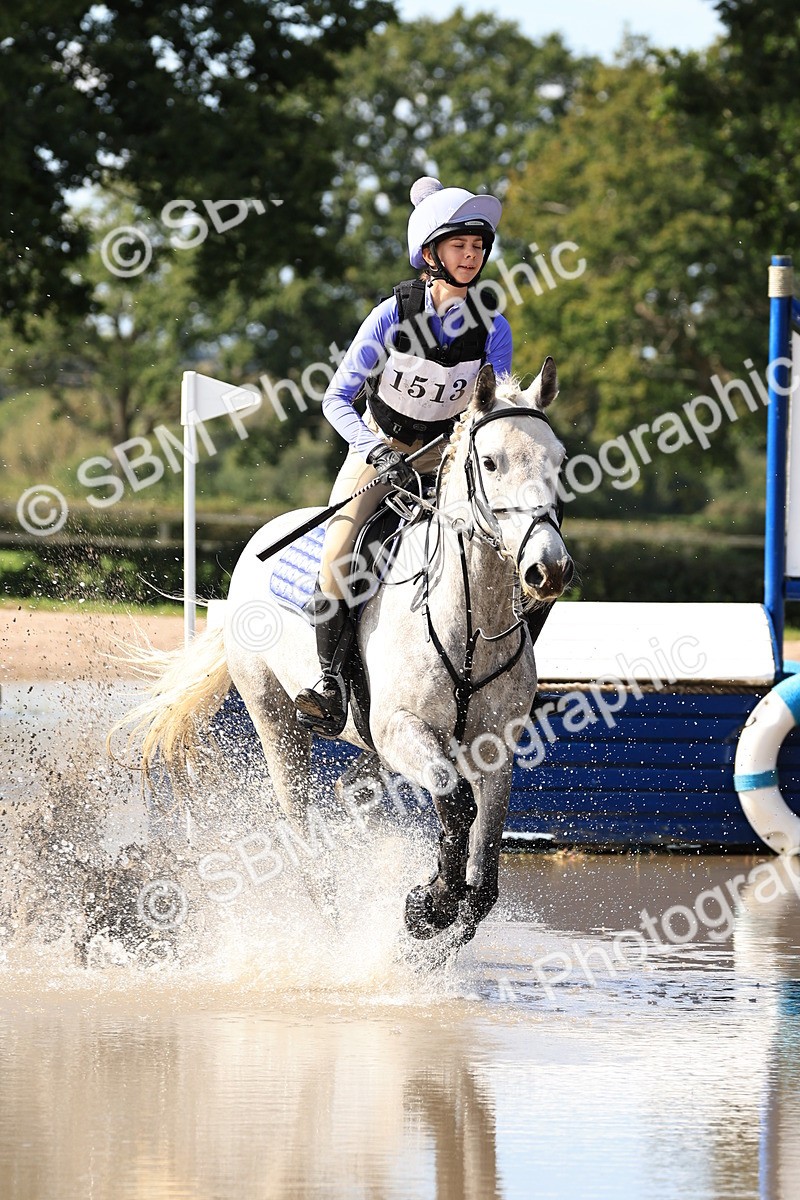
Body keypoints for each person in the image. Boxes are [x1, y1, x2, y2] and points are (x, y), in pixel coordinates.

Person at [294, 175, 513, 735]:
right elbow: (335, 398)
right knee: (340, 553)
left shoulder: (494, 329)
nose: (472, 255)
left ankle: (516, 682)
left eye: (479, 246)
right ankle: (329, 682)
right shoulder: (390, 316)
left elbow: (490, 413)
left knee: (519, 551)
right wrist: (374, 450)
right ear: (431, 253)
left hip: (446, 463)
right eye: (460, 245)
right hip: (379, 450)